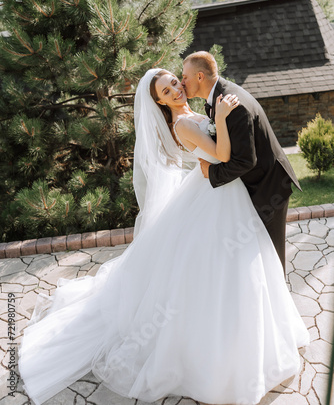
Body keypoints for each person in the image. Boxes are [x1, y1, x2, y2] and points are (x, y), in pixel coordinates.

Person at [18, 68, 309, 405]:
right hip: (216, 197)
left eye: (173, 81)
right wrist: (226, 117)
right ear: (158, 101)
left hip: (223, 193)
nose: (174, 89)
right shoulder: (183, 124)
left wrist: (221, 117)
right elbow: (224, 156)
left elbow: (216, 157)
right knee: (222, 270)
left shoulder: (194, 113)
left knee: (247, 267)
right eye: (166, 91)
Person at [182, 51, 301, 272]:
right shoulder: (218, 98)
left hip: (269, 186)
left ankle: (279, 301)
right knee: (257, 253)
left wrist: (212, 172)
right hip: (256, 182)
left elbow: (245, 160)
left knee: (271, 253)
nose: (182, 82)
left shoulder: (234, 106)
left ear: (200, 77)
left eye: (184, 76)